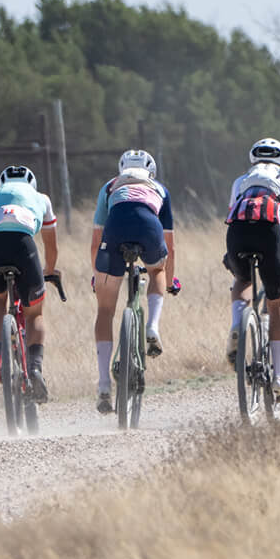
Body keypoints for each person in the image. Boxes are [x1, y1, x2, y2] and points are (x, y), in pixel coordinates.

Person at [90, 149, 178, 414]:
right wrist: (170, 279)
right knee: (156, 272)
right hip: (148, 226)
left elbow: (96, 241)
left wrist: (98, 276)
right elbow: (169, 246)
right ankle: (152, 326)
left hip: (115, 229)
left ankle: (104, 383)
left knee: (105, 311)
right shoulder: (159, 188)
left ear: (122, 168)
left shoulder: (109, 187)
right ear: (151, 170)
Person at [221, 136, 280, 401]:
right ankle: (279, 375)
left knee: (242, 279)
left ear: (253, 158)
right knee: (275, 301)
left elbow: (233, 216)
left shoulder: (240, 181)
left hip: (238, 234)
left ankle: (238, 322)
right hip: (268, 233)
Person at [0, 164, 60, 402]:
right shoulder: (40, 198)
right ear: (31, 183)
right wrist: (49, 270)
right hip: (23, 245)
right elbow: (51, 246)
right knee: (35, 313)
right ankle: (34, 367)